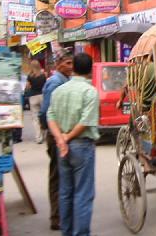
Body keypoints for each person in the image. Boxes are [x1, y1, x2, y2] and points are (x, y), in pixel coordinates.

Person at [47, 53, 99, 236]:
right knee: (83, 194)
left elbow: (50, 116)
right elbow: (86, 120)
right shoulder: (90, 92)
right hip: (81, 146)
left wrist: (61, 139)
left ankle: (67, 232)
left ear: (74, 68)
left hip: (63, 147)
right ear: (90, 69)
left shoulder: (59, 90)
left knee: (66, 192)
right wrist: (66, 138)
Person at [40, 48, 73, 231]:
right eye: (67, 63)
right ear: (58, 65)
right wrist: (55, 134)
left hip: (63, 134)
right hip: (56, 135)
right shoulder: (55, 83)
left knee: (63, 175)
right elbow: (46, 113)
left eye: (71, 63)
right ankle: (56, 217)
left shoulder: (66, 81)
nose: (70, 66)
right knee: (57, 176)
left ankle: (63, 214)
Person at [26, 60, 47, 143]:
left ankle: (38, 138)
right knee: (43, 116)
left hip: (33, 97)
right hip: (42, 96)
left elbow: (27, 87)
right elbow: (46, 85)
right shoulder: (43, 75)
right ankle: (44, 134)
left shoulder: (30, 76)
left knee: (35, 118)